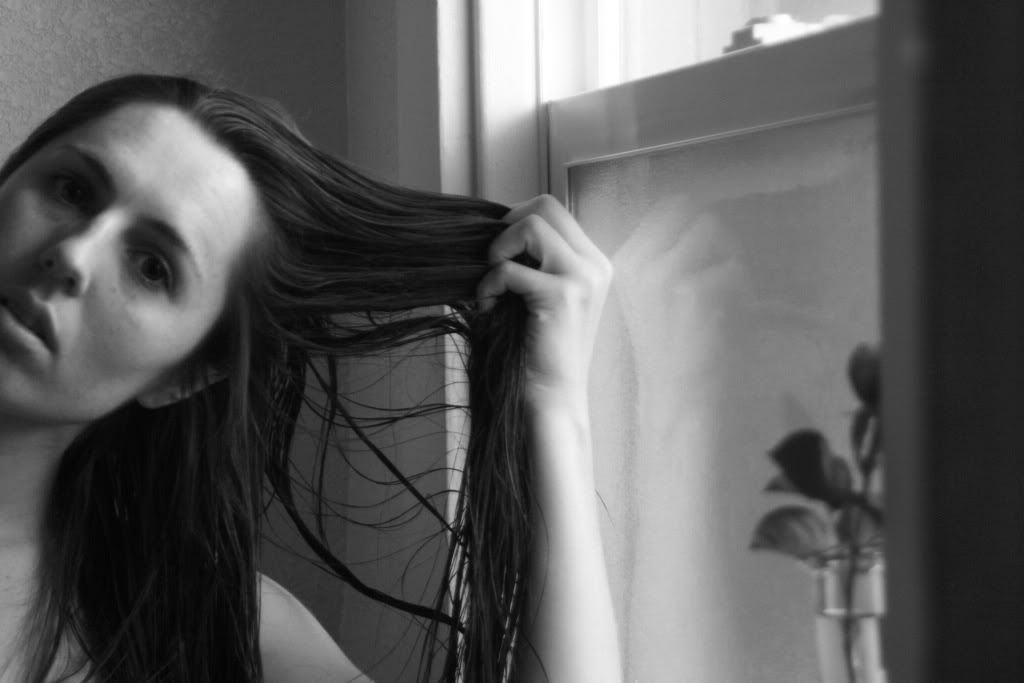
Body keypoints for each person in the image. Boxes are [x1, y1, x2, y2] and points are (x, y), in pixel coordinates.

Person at [0, 74, 620, 682]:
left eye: (153, 268)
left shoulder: (206, 629)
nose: (73, 256)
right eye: (71, 190)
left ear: (184, 376)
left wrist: (553, 406)